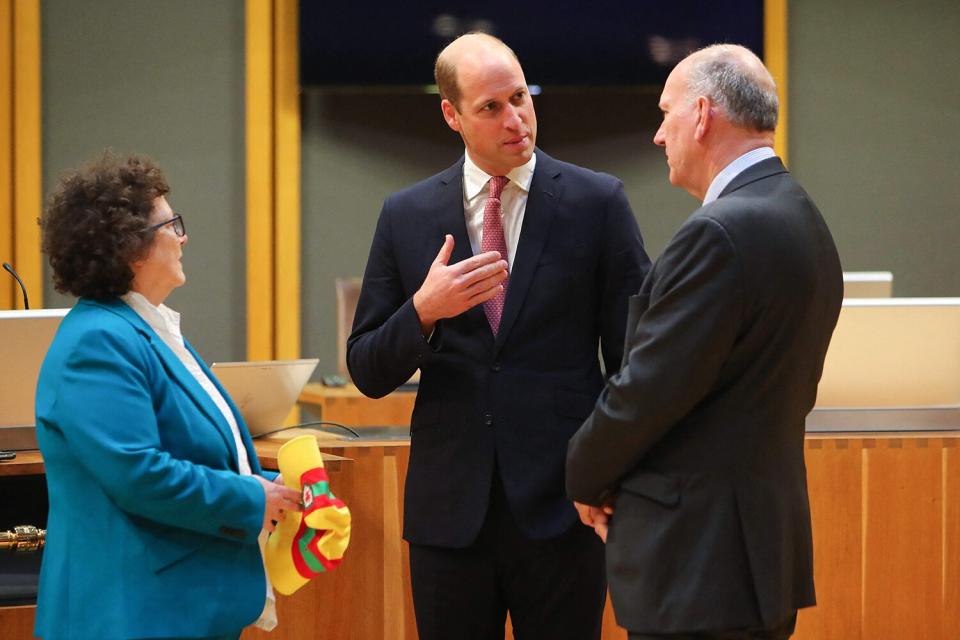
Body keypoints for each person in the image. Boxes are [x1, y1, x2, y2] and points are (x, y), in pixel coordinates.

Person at [347, 33, 650, 640]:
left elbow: (637, 362)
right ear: (451, 114)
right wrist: (423, 311)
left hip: (565, 507)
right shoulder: (404, 214)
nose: (516, 119)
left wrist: (612, 475)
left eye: (521, 97)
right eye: (491, 107)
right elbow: (366, 367)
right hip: (449, 516)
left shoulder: (596, 202)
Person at [566, 44, 843, 640]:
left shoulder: (721, 232)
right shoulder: (803, 218)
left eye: (665, 114)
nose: (659, 136)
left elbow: (648, 391)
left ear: (701, 114)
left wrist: (582, 475)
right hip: (755, 554)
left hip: (699, 563)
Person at [34, 152, 302, 640]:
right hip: (127, 613)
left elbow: (191, 454)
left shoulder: (145, 329)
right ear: (129, 246)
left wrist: (278, 488)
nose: (183, 236)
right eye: (171, 224)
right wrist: (250, 497)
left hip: (173, 606)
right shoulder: (98, 341)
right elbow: (137, 474)